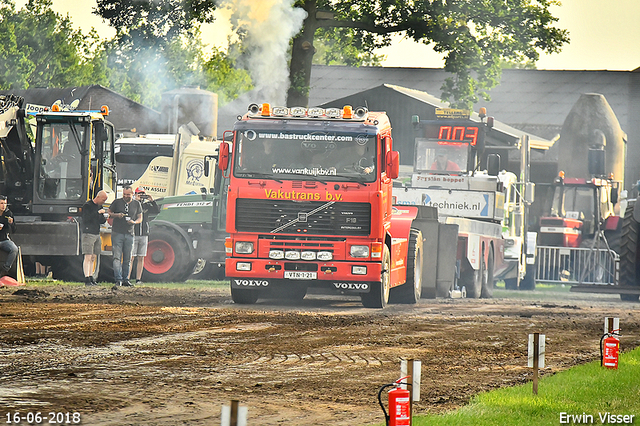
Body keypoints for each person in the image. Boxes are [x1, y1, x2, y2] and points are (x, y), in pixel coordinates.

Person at [109, 185, 142, 287]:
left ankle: (125, 279)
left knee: (128, 258)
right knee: (117, 257)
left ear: (132, 194)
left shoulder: (137, 204)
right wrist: (117, 215)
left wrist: (134, 222)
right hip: (117, 232)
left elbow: (140, 217)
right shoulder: (117, 202)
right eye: (124, 194)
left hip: (130, 233)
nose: (125, 196)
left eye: (128, 194)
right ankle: (118, 279)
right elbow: (109, 212)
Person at [128, 187, 159, 284]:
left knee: (141, 257)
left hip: (144, 234)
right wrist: (135, 200)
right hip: (134, 233)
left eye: (142, 194)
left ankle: (138, 279)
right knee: (131, 257)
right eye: (139, 194)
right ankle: (127, 278)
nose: (141, 196)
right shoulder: (131, 204)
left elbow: (156, 211)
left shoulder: (146, 206)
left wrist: (152, 200)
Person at [81, 190, 108, 286]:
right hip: (88, 233)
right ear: (99, 197)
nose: (104, 202)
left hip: (96, 232)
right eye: (103, 200)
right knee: (88, 256)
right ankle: (86, 278)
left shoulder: (99, 206)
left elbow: (102, 221)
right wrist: (97, 213)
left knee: (94, 256)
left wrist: (102, 215)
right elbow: (86, 218)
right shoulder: (87, 206)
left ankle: (91, 277)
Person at [0, 195, 17, 277]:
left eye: (5, 203)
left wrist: (11, 223)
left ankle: (5, 269)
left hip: (4, 240)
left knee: (14, 249)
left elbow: (14, 230)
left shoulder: (8, 214)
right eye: (1, 203)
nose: (3, 206)